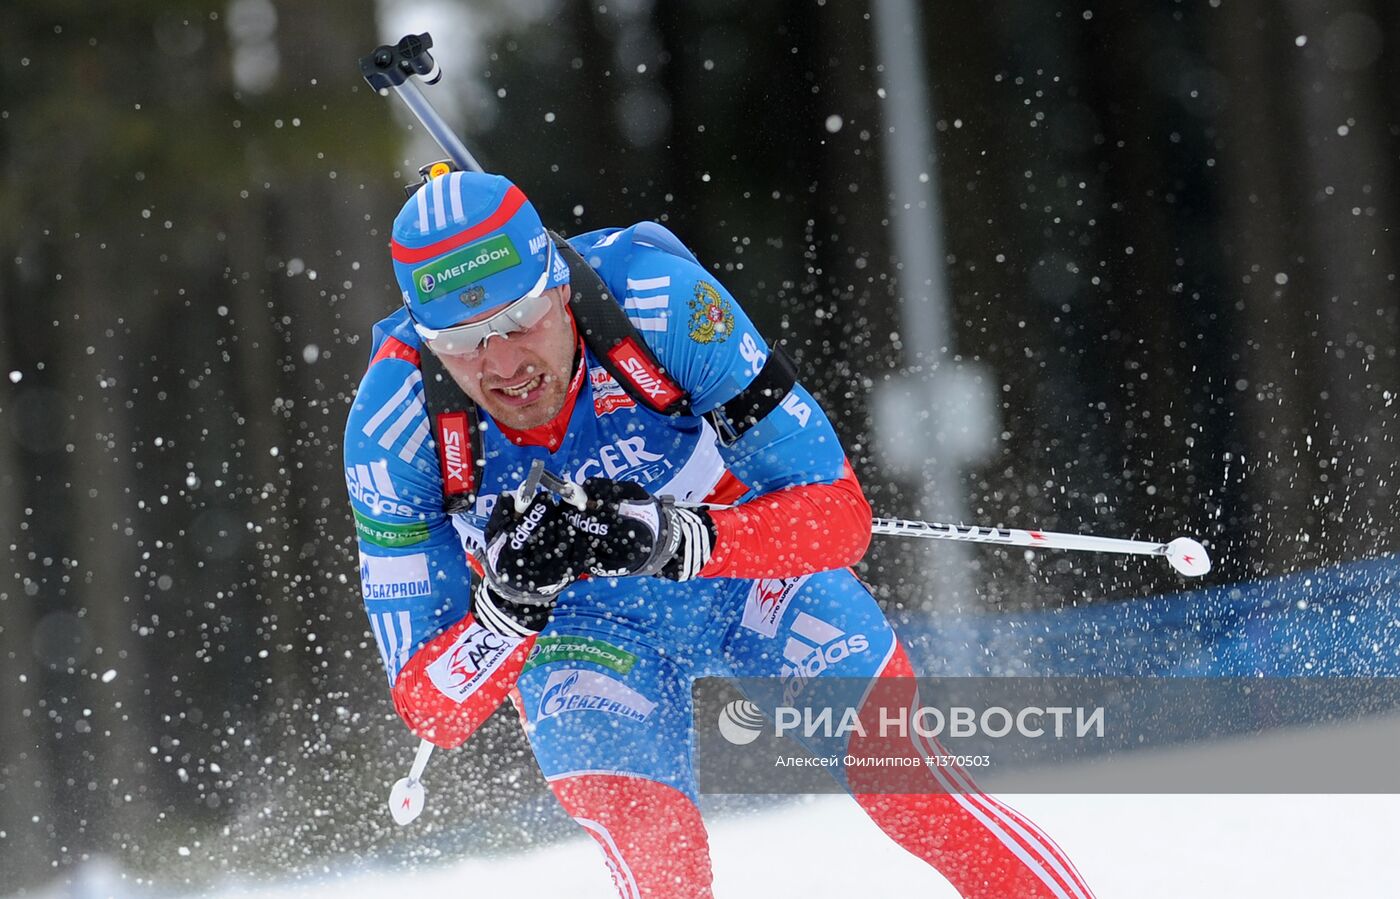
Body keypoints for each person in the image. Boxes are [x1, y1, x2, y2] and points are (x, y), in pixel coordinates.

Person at [344, 169, 1095, 898]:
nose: (504, 364)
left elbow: (839, 516)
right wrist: (508, 608)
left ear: (559, 283)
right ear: (423, 336)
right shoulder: (393, 426)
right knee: (657, 855)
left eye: (520, 319)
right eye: (463, 341)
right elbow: (433, 709)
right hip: (581, 625)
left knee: (906, 784)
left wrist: (676, 538)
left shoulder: (658, 299)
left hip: (740, 568)